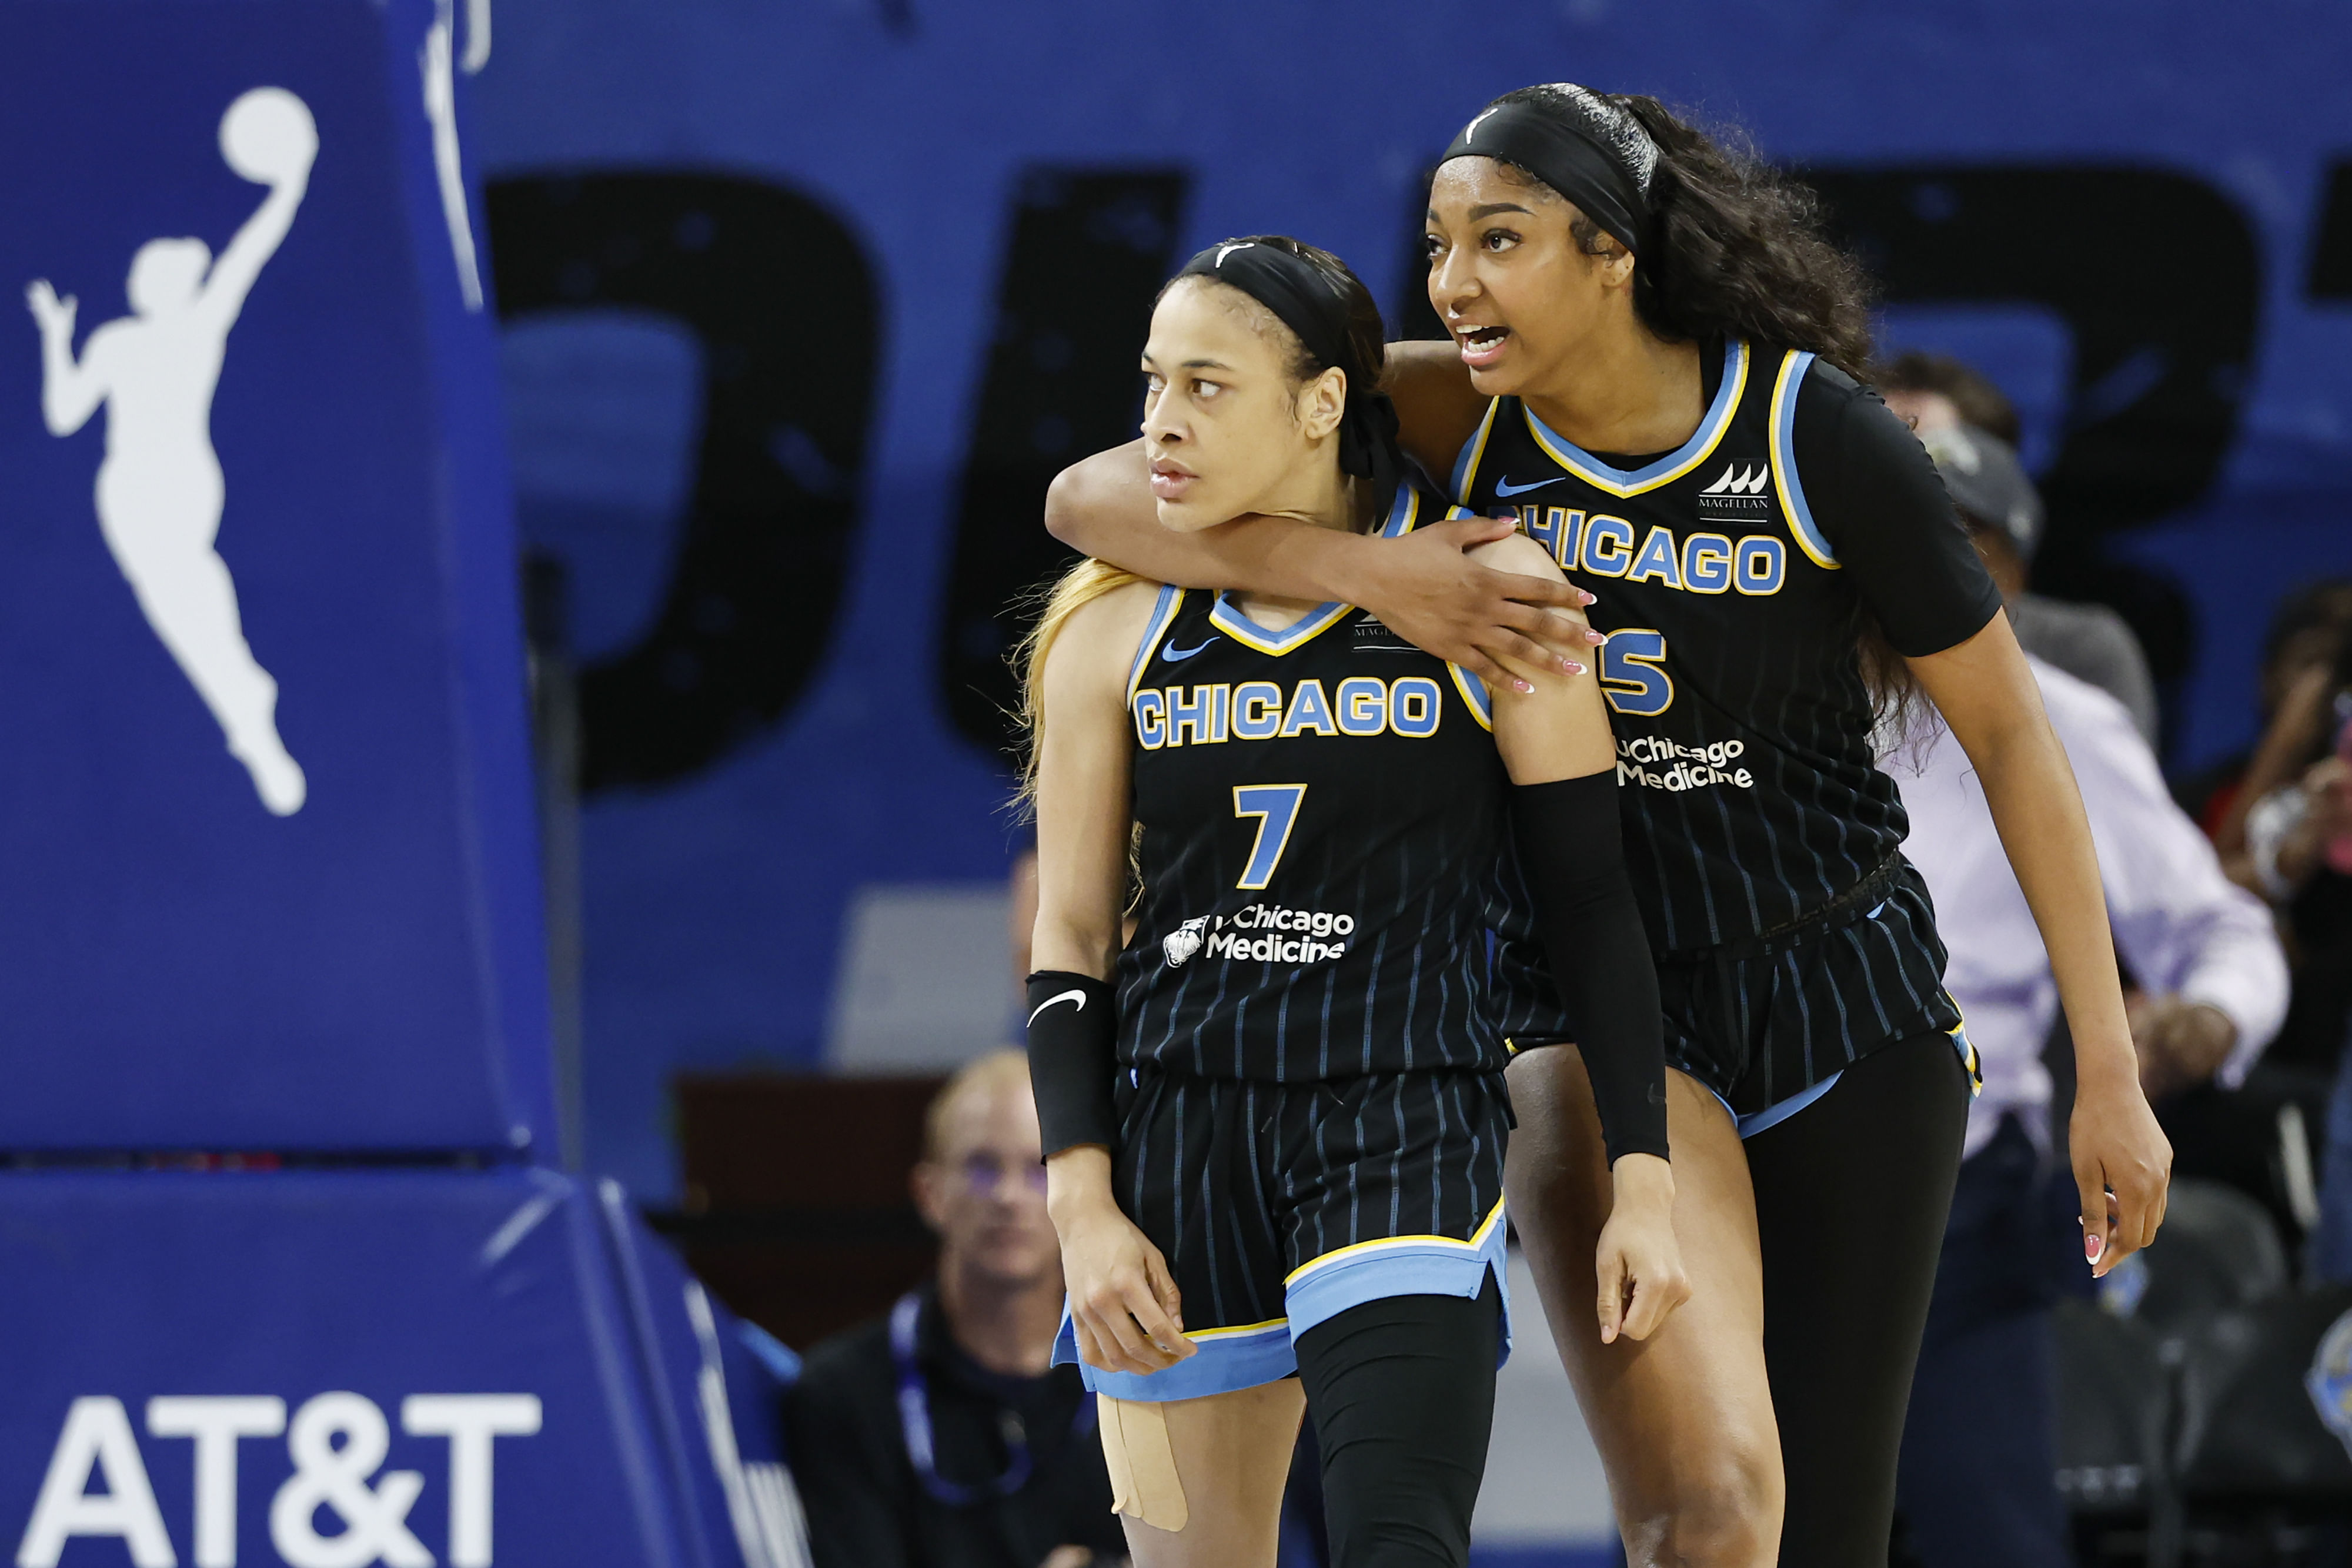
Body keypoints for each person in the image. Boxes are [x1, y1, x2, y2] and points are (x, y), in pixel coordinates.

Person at [1045, 85, 2173, 1568]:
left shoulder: (1812, 435)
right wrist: (1373, 575)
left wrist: (2106, 1068)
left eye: (1495, 241)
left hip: (1841, 998)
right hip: (1592, 1001)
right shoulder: (1463, 408)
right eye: (1439, 243)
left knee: (1828, 1526)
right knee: (1702, 1515)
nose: (1450, 283)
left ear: (1612, 252)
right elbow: (1092, 497)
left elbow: (2015, 740)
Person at [1023, 234, 1685, 1568]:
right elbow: (1072, 942)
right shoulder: (1111, 624)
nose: (1161, 420)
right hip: (1176, 1140)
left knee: (1398, 1546)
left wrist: (1644, 1175)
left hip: (1400, 1112)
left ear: (1321, 403)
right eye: (1150, 383)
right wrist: (1081, 1210)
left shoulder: (1492, 603)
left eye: (1206, 387)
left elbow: (1592, 903)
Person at [1886, 646, 2286, 1568]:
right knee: (1711, 1526)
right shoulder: (1724, 674)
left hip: (1963, 1210)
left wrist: (2209, 1019)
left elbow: (2219, 928)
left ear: (2015, 569)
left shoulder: (2052, 713)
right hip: (1748, 1192)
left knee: (1995, 1538)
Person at [24, 86, 316, 815]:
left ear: (175, 284)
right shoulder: (119, 340)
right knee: (178, 596)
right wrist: (56, 339)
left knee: (179, 594)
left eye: (156, 274)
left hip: (173, 481)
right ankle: (246, 701)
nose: (143, 282)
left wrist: (295, 182)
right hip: (129, 488)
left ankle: (247, 709)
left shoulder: (196, 328)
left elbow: (249, 253)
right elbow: (62, 416)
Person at [786, 1052, 1123, 1568]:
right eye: (982, 1168)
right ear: (930, 1192)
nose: (1009, 1197)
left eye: (1040, 1169)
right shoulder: (842, 1394)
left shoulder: (1149, 1381)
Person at [1876, 363, 2160, 744]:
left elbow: (2113, 798)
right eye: (1872, 449)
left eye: (1960, 524)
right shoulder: (1815, 646)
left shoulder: (2079, 653)